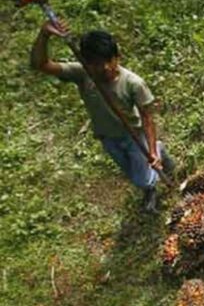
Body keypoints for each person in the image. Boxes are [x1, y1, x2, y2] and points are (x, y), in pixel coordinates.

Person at [30, 20, 174, 213]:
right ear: (87, 63)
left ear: (117, 56)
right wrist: (44, 34)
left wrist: (152, 154)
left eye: (109, 60)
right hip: (108, 137)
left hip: (133, 135)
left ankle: (152, 173)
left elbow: (147, 118)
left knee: (142, 177)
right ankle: (157, 154)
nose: (105, 68)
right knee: (130, 172)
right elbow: (40, 64)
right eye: (97, 64)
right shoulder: (82, 74)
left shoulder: (133, 83)